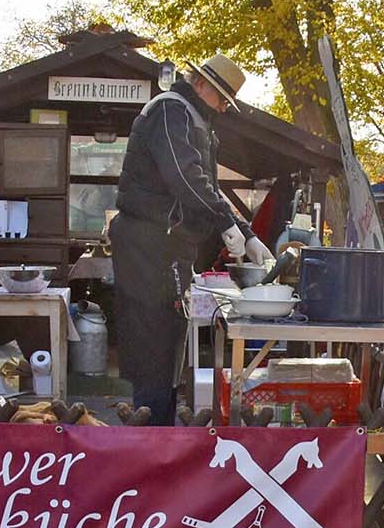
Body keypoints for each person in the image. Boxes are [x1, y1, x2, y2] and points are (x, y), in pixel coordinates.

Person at [111, 55, 274, 425]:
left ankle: (160, 433)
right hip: (147, 244)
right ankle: (150, 439)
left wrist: (246, 234)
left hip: (166, 245)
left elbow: (208, 187)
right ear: (202, 85)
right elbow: (185, 178)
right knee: (154, 349)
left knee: (168, 349)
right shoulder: (172, 112)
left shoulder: (194, 120)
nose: (222, 107)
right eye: (221, 99)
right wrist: (224, 225)